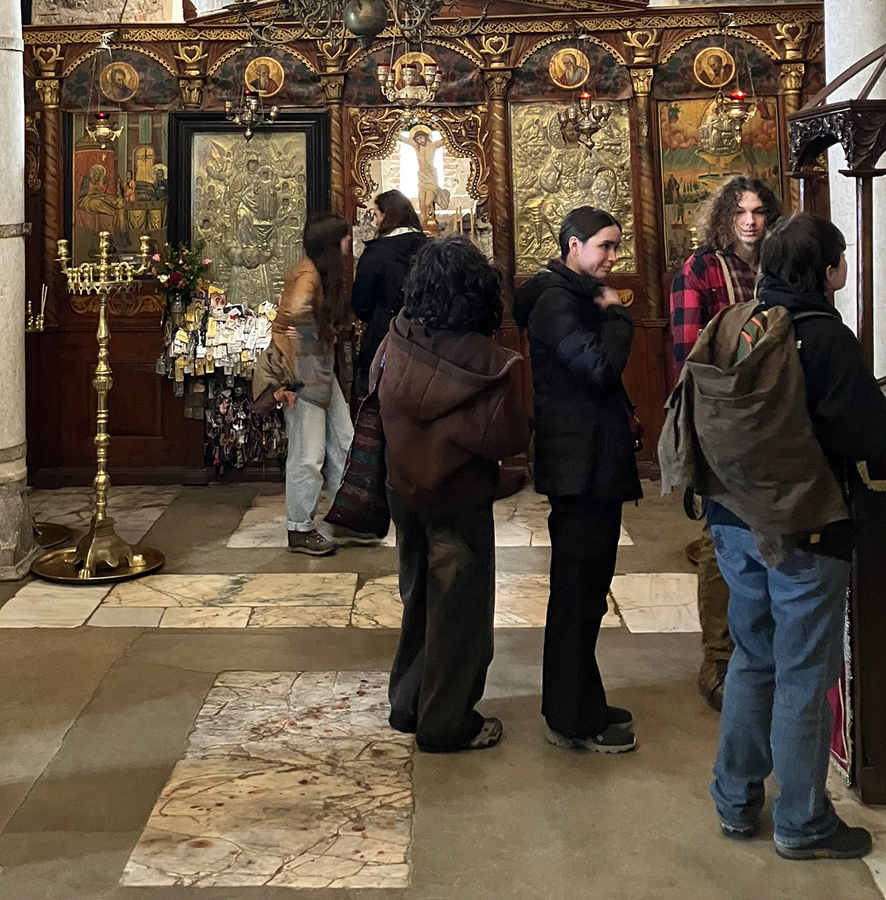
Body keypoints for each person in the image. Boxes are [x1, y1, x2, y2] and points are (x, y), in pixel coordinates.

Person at [699, 214, 886, 859]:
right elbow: (867, 437)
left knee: (753, 659)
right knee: (806, 673)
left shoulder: (734, 322)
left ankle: (734, 801)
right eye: (839, 260)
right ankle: (804, 822)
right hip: (804, 531)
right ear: (829, 270)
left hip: (733, 521)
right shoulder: (825, 337)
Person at [378, 234, 530, 752]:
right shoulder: (486, 364)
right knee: (460, 613)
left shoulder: (396, 336)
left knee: (417, 595)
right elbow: (509, 435)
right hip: (458, 496)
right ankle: (446, 723)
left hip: (404, 488)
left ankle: (408, 703)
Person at [513, 206, 642, 753]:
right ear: (573, 245)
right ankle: (571, 716)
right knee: (576, 593)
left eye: (616, 247)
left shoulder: (571, 295)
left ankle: (580, 698)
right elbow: (597, 367)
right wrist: (617, 317)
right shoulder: (556, 300)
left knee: (588, 592)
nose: (614, 258)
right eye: (605, 247)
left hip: (593, 461)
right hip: (580, 467)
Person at [669, 175, 781, 712]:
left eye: (759, 211)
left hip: (775, 417)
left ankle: (761, 651)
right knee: (722, 537)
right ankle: (717, 658)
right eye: (740, 211)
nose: (751, 221)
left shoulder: (777, 265)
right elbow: (690, 356)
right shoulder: (701, 268)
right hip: (721, 414)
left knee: (766, 534)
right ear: (724, 216)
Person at [271, 213, 355, 556]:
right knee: (309, 452)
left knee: (343, 440)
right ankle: (300, 527)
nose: (350, 245)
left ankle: (346, 515)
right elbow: (296, 313)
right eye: (346, 239)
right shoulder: (308, 273)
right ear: (333, 244)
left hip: (317, 366)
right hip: (302, 371)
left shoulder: (317, 271)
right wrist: (313, 336)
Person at [351, 190, 428, 398]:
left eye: (376, 215)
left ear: (387, 216)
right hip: (427, 341)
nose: (375, 222)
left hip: (384, 336)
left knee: (381, 401)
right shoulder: (431, 249)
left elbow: (361, 303)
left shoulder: (376, 254)